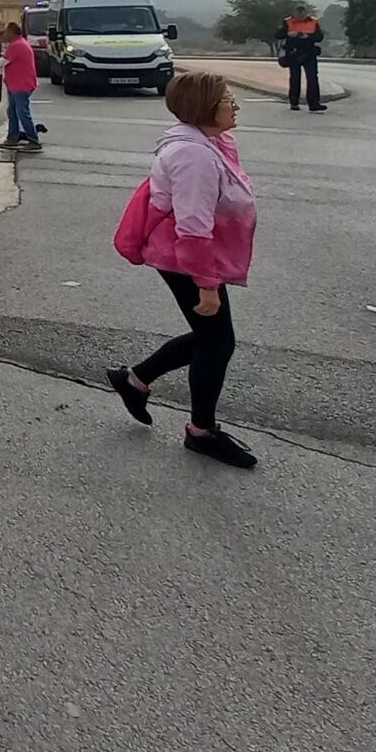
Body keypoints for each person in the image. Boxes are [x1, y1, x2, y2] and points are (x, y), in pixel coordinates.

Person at [106, 71, 260, 469]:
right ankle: (201, 432)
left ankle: (134, 380)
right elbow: (192, 228)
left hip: (186, 254)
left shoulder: (209, 143)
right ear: (204, 107)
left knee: (213, 338)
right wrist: (206, 286)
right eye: (228, 99)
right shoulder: (194, 156)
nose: (234, 105)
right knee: (217, 341)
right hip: (183, 256)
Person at [0, 21, 41, 149]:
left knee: (22, 113)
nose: (4, 34)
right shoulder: (21, 43)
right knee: (12, 111)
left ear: (12, 33)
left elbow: (1, 62)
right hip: (17, 85)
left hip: (20, 85)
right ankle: (13, 137)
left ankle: (33, 140)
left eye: (6, 32)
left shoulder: (16, 46)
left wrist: (2, 54)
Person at [276, 14, 328, 113]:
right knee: (295, 78)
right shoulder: (288, 22)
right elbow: (278, 35)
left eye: (302, 11)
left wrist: (308, 36)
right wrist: (289, 34)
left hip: (309, 53)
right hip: (293, 53)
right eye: (298, 12)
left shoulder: (312, 22)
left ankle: (314, 104)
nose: (300, 14)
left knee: (312, 78)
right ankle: (294, 103)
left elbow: (319, 37)